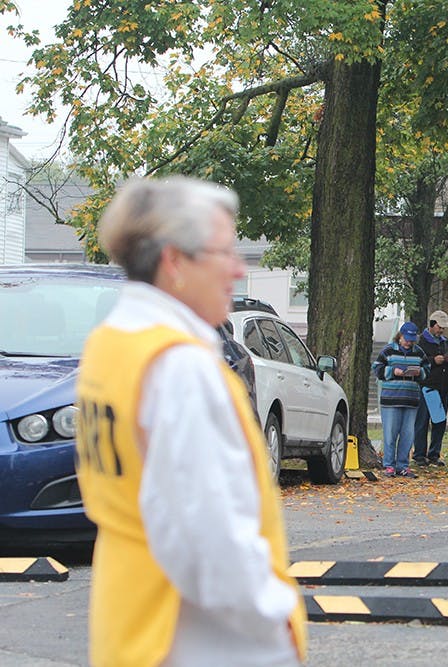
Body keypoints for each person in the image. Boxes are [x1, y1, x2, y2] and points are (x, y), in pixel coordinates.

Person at [74, 177, 307, 666]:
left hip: (132, 623)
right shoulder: (179, 366)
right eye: (224, 252)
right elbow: (208, 532)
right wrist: (276, 612)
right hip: (197, 640)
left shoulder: (111, 344)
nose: (238, 270)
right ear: (175, 261)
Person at [372, 322, 429, 478]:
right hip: (391, 399)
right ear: (400, 335)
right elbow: (377, 368)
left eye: (412, 339)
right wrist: (392, 371)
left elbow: (427, 369)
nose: (409, 342)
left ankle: (403, 465)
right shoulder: (388, 350)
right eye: (407, 339)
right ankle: (389, 465)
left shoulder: (419, 353)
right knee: (390, 433)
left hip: (411, 400)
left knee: (408, 434)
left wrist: (420, 373)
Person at [413, 310, 448, 467]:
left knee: (440, 422)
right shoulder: (420, 342)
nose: (442, 330)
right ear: (432, 325)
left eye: (443, 328)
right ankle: (419, 454)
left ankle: (434, 454)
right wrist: (433, 361)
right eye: (439, 327)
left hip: (444, 388)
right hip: (427, 388)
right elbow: (416, 362)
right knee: (422, 422)